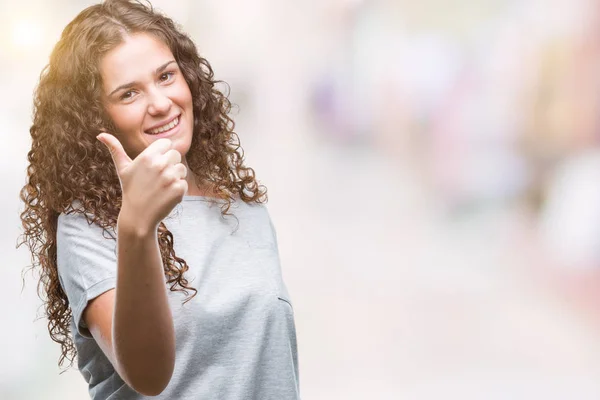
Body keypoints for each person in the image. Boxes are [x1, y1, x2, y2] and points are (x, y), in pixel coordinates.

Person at [17, 0, 300, 398]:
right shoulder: (87, 227)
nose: (160, 103)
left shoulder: (240, 207)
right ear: (96, 119)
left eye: (166, 76)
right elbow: (148, 375)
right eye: (129, 93)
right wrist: (136, 225)